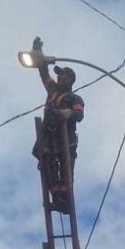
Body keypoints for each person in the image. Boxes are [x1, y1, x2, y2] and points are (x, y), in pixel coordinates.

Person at [34, 60, 84, 213]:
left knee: (66, 168)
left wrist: (68, 113)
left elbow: (79, 114)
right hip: (49, 136)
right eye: (59, 75)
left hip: (66, 138)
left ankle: (66, 198)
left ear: (70, 79)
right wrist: (39, 55)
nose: (59, 78)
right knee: (49, 165)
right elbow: (44, 74)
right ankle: (56, 197)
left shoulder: (74, 98)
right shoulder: (52, 90)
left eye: (63, 75)